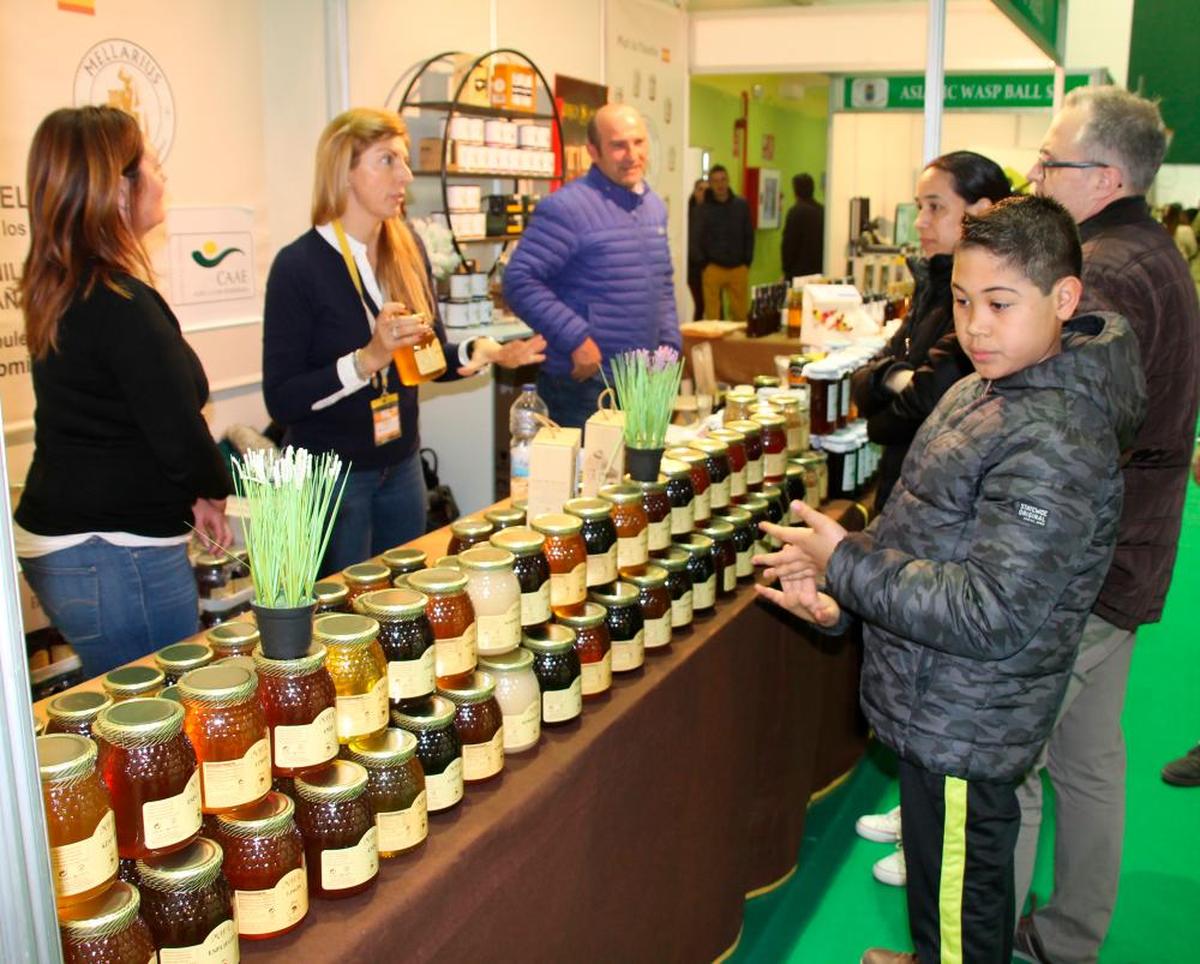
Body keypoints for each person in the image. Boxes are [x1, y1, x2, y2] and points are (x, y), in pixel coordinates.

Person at [756, 195, 1146, 964]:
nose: (974, 326)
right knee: (946, 886)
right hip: (939, 699)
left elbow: (991, 610)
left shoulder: (1057, 439)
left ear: (1064, 299)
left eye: (1000, 304)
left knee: (965, 894)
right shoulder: (984, 388)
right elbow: (923, 540)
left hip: (971, 716)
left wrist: (848, 563)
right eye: (963, 302)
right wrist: (840, 597)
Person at [1015, 86, 1200, 964]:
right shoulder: (1148, 250)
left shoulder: (1108, 270)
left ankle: (978, 942)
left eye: (1050, 161)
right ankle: (1068, 937)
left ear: (1105, 175)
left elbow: (1073, 436)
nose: (1036, 174)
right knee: (1087, 761)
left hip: (1082, 560)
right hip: (1127, 550)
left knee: (1009, 767)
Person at [263, 108, 544, 575]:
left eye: (406, 160)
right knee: (347, 617)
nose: (406, 176)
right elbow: (283, 398)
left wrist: (486, 352)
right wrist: (367, 360)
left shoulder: (406, 245)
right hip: (335, 477)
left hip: (402, 465)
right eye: (387, 160)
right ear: (345, 171)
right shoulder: (298, 267)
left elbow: (430, 356)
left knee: (408, 601)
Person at [14, 106, 234, 679]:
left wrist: (197, 494)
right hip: (113, 552)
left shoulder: (72, 287)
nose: (163, 178)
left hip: (83, 543)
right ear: (117, 189)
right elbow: (176, 430)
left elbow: (130, 418)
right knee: (157, 713)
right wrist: (214, 488)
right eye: (153, 165)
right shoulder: (118, 304)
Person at [503, 103, 679, 429]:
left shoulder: (653, 206)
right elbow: (518, 279)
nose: (632, 154)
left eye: (638, 142)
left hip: (642, 381)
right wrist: (576, 339)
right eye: (618, 145)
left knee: (637, 477)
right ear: (593, 151)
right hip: (585, 386)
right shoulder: (566, 207)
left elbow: (663, 284)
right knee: (585, 479)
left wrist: (669, 348)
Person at [852, 150, 1010, 514]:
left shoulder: (985, 304)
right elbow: (863, 378)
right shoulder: (933, 284)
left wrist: (885, 383)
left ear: (980, 212)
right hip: (903, 489)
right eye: (919, 207)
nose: (920, 222)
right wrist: (893, 377)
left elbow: (922, 402)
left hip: (942, 504)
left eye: (936, 207)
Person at [699, 164, 754, 320]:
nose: (720, 184)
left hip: (738, 267)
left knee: (740, 315)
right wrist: (704, 263)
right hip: (713, 267)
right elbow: (698, 237)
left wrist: (747, 261)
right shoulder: (704, 209)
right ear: (710, 184)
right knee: (712, 316)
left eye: (723, 180)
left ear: (728, 181)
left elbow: (748, 234)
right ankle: (715, 345)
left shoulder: (741, 205)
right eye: (715, 181)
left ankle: (738, 345)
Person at [780, 172, 824, 280]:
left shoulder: (795, 212)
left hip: (797, 273)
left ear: (795, 191)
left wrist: (786, 271)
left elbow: (788, 245)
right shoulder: (822, 211)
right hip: (819, 271)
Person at [687, 177, 709, 320]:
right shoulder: (689, 213)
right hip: (694, 268)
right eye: (700, 189)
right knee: (700, 305)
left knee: (713, 306)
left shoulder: (712, 213)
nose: (703, 193)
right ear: (694, 192)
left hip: (710, 266)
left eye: (707, 190)